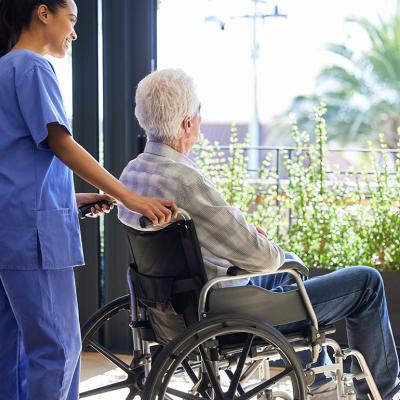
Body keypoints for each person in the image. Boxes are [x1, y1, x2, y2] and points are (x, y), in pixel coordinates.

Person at [118, 68, 400, 400]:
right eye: (198, 113)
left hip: (169, 304)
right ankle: (380, 391)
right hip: (221, 307)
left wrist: (251, 242)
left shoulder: (132, 173)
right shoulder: (185, 180)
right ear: (187, 124)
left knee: (291, 264)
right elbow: (262, 256)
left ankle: (318, 374)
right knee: (365, 281)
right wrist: (260, 240)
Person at [0, 1, 178, 399]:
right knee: (57, 350)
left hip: (9, 231)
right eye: (72, 20)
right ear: (44, 12)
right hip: (34, 237)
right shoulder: (33, 67)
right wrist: (130, 196)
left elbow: (14, 164)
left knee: (9, 353)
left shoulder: (2, 70)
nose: (75, 33)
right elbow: (60, 144)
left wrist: (71, 198)